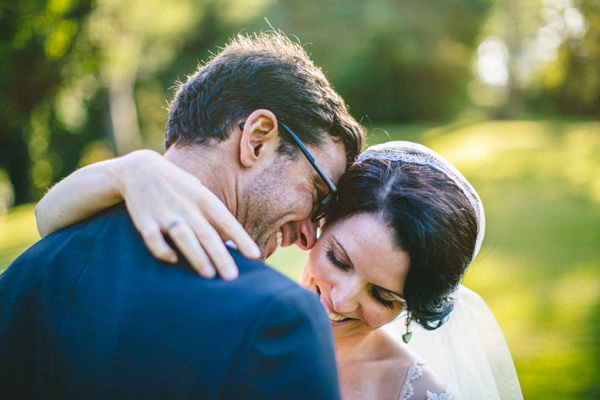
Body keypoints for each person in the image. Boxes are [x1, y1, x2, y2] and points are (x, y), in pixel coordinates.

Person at [0, 31, 366, 399]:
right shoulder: (279, 320)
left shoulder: (27, 271)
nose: (308, 236)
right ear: (257, 139)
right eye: (319, 195)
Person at [33, 141, 524, 399]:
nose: (341, 299)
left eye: (384, 296)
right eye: (338, 259)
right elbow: (48, 222)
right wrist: (129, 170)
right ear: (317, 223)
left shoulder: (417, 394)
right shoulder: (236, 302)